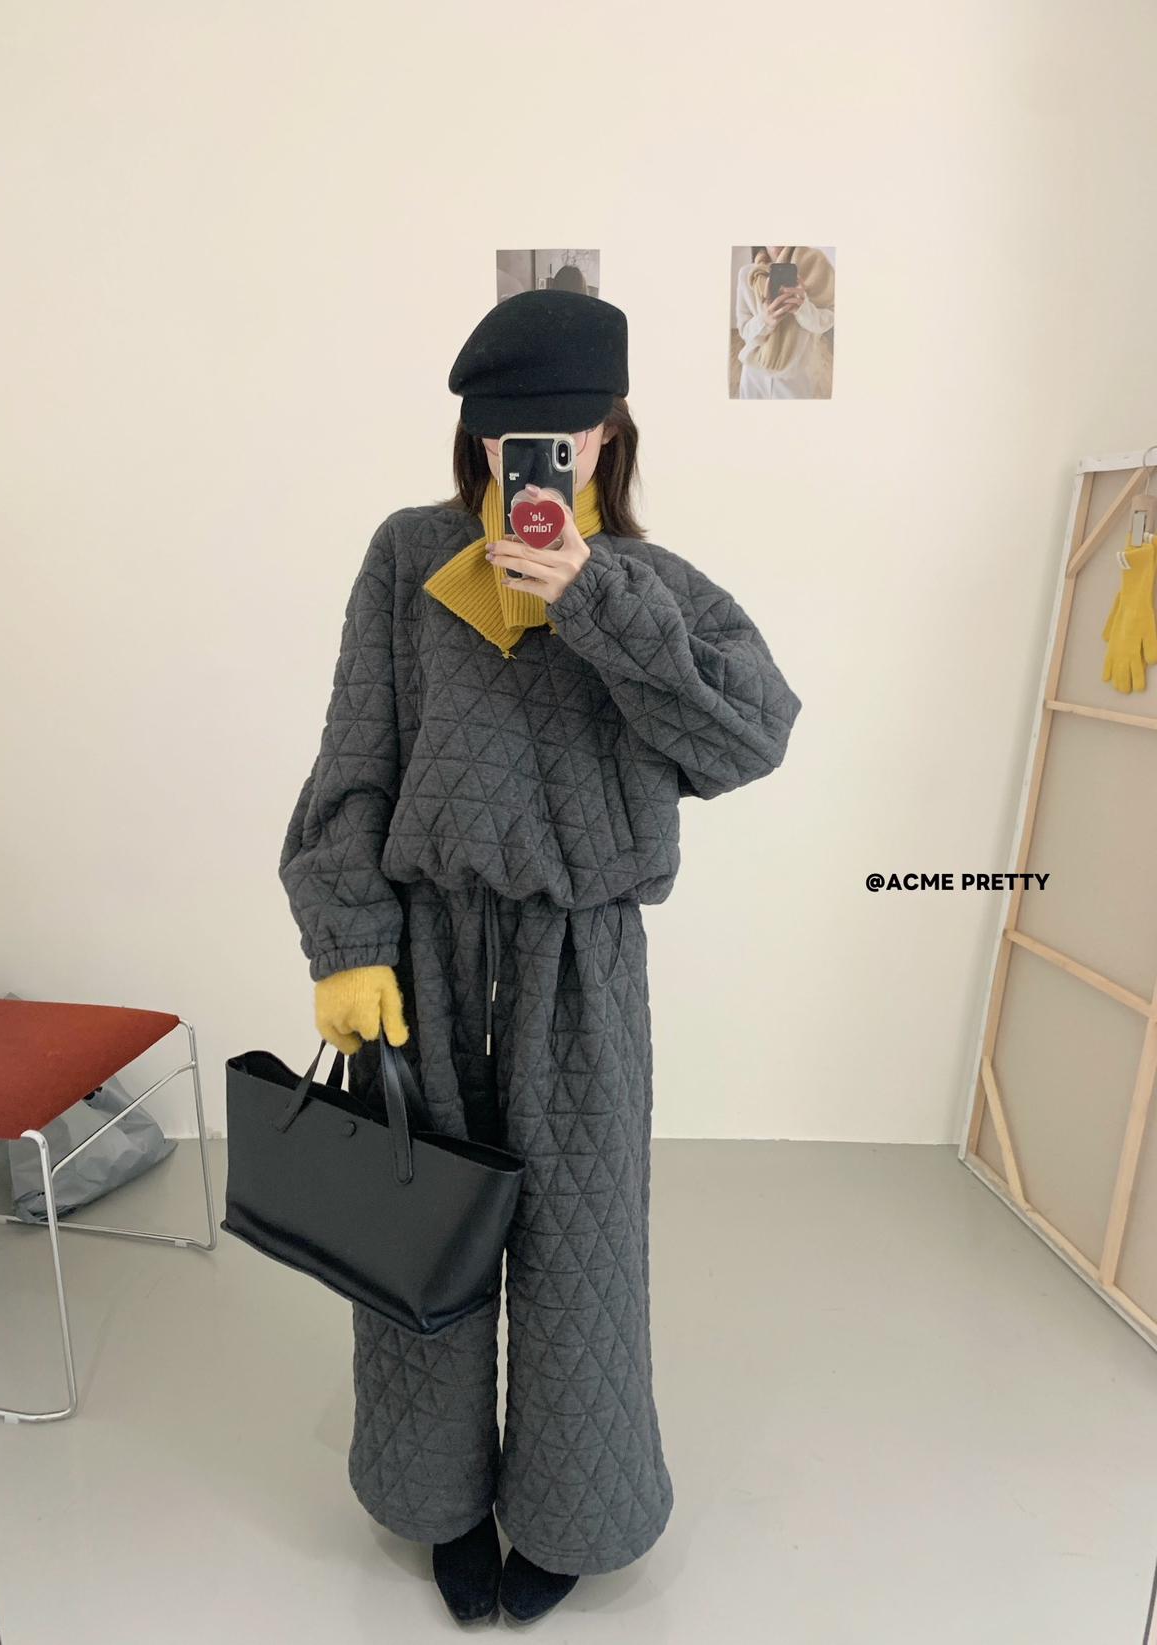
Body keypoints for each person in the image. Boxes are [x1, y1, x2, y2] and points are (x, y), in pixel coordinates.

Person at [278, 288, 803, 1624]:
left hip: (583, 968)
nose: (537, 463)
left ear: (609, 435)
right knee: (423, 1247)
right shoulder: (407, 558)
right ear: (478, 437)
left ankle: (572, 1510)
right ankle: (439, 1500)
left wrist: (596, 598)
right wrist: (350, 941)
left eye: (563, 436)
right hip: (426, 959)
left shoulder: (653, 587)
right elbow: (353, 761)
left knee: (583, 1255)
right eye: (514, 437)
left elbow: (752, 736)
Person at [736, 244, 835, 399]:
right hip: (753, 375)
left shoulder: (817, 266)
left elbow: (830, 319)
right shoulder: (747, 274)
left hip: (795, 377)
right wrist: (765, 320)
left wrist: (803, 309)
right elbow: (744, 331)